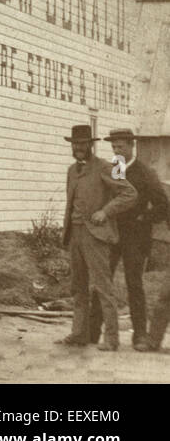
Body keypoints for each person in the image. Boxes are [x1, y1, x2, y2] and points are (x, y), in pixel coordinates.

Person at [57, 123, 137, 350]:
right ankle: (79, 334)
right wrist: (67, 233)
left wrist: (106, 211)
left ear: (90, 145)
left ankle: (111, 339)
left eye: (83, 144)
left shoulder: (106, 166)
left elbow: (130, 193)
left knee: (103, 287)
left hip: (96, 236)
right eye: (75, 145)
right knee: (78, 287)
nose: (79, 148)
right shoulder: (72, 170)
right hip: (75, 235)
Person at [99, 128, 169, 350]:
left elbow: (162, 206)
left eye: (120, 147)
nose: (117, 151)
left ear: (132, 146)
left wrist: (142, 218)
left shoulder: (145, 172)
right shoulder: (115, 169)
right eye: (114, 147)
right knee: (103, 281)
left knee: (134, 283)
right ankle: (93, 331)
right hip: (112, 235)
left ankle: (139, 335)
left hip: (136, 238)